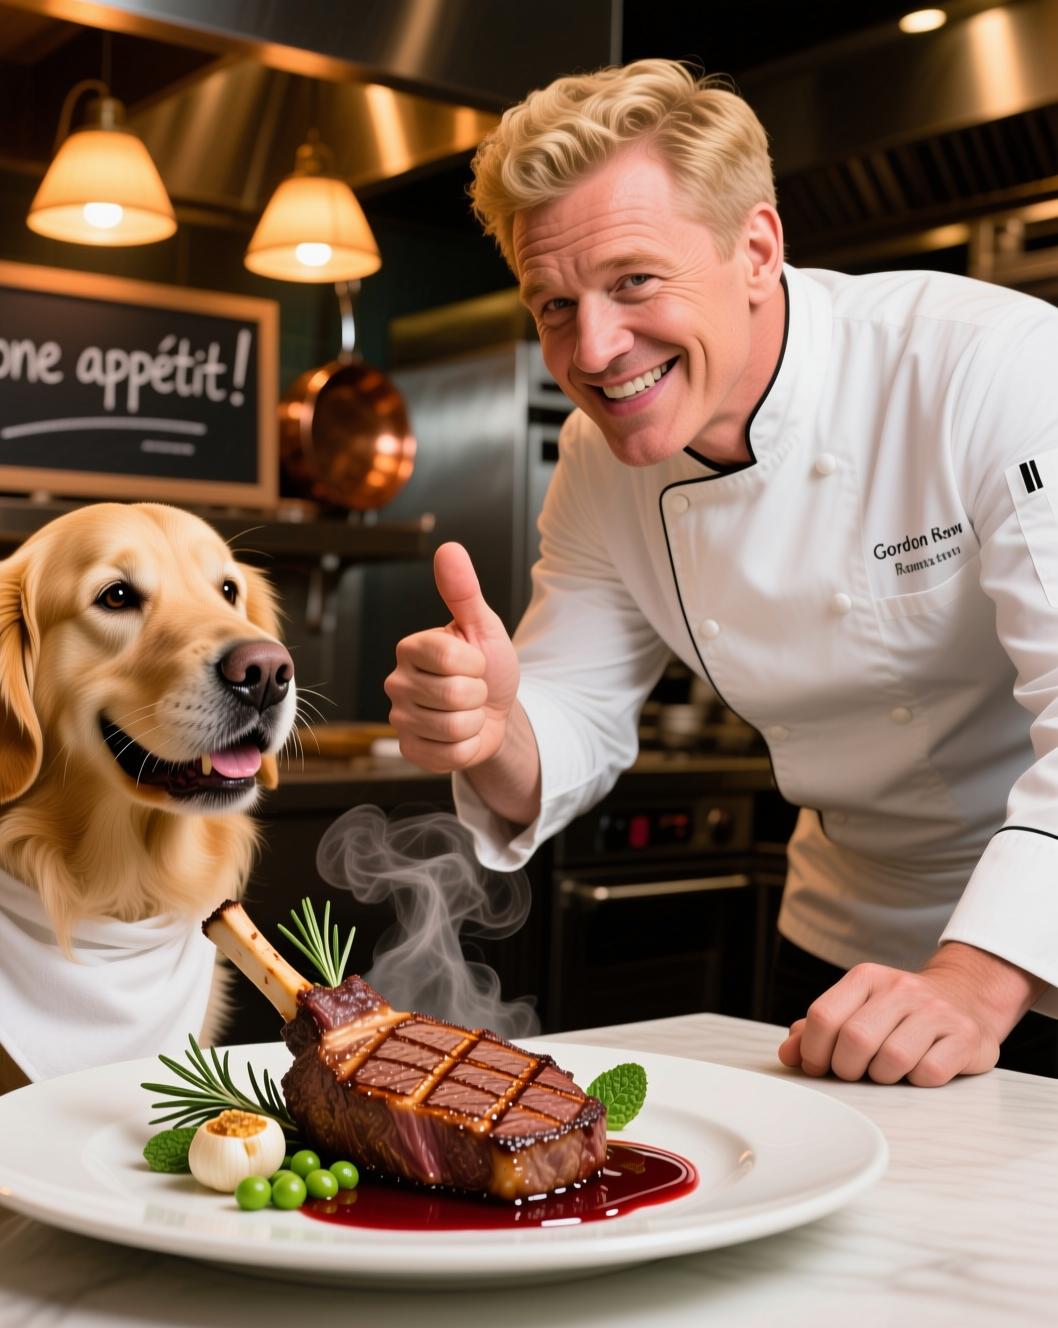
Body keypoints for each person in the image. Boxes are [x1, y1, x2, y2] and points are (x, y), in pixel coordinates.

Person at [385, 59, 1058, 1085]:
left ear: (754, 248)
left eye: (633, 281)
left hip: (1028, 944)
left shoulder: (987, 367)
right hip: (845, 941)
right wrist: (489, 728)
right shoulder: (593, 461)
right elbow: (565, 713)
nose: (595, 349)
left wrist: (973, 977)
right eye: (553, 304)